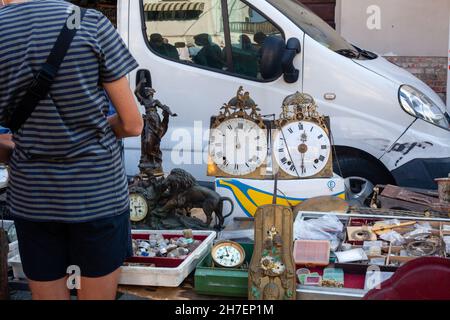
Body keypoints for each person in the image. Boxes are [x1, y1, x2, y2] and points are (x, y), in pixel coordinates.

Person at [0, 0, 143, 300]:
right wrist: (92, 132)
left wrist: (18, 147)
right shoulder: (87, 21)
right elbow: (132, 124)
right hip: (97, 195)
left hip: (34, 198)